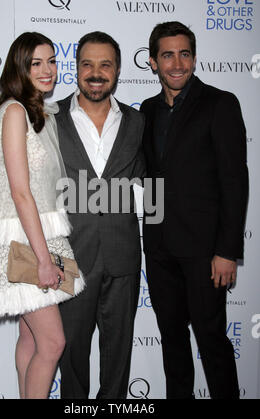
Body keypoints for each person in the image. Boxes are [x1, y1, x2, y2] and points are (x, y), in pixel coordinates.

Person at [0, 32, 85, 399]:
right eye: (37, 63)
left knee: (29, 336)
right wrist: (42, 260)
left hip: (37, 236)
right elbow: (20, 193)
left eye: (52, 60)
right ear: (19, 67)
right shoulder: (16, 110)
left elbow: (3, 176)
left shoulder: (36, 112)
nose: (49, 69)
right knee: (52, 343)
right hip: (24, 244)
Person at [140, 21, 248, 399]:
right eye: (167, 55)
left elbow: (235, 181)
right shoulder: (148, 110)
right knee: (171, 341)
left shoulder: (220, 103)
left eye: (184, 54)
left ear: (195, 58)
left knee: (212, 340)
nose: (177, 63)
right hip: (158, 248)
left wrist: (227, 250)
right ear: (153, 62)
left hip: (205, 252)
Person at [55, 31, 145, 399]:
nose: (96, 72)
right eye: (87, 64)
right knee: (71, 354)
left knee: (118, 355)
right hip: (68, 258)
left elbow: (148, 180)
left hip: (123, 256)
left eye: (105, 64)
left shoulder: (138, 122)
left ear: (118, 70)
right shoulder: (48, 118)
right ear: (76, 69)